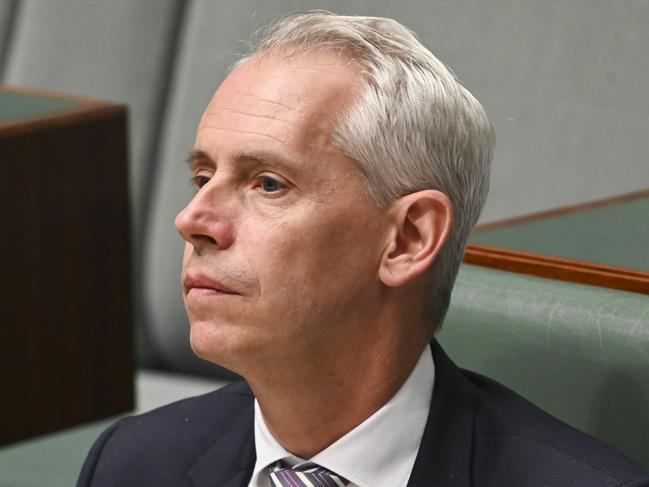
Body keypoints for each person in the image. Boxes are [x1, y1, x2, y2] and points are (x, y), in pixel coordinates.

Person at [78, 11, 649, 487]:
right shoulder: (132, 463)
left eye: (268, 183)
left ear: (408, 239)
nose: (191, 220)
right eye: (203, 178)